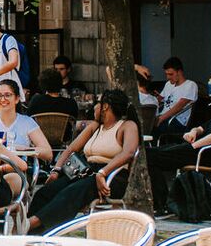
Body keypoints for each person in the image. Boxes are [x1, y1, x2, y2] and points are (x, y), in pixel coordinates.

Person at [28, 89, 143, 232]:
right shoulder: (95, 126)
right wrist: (56, 170)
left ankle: (32, 223)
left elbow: (129, 152)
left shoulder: (127, 125)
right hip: (85, 171)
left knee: (72, 191)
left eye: (97, 104)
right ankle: (31, 235)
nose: (93, 108)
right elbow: (71, 149)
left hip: (112, 175)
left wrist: (102, 172)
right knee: (46, 192)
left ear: (105, 106)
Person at [149, 77, 211, 209]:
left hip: (208, 156)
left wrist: (196, 145)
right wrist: (193, 132)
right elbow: (200, 128)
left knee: (150, 156)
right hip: (196, 151)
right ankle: (162, 203)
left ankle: (163, 204)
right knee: (149, 156)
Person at [154, 57, 199, 136]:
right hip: (164, 117)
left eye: (171, 74)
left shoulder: (190, 85)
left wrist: (161, 118)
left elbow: (180, 105)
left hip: (177, 120)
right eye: (166, 74)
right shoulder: (168, 84)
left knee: (153, 129)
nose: (168, 77)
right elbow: (160, 99)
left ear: (180, 72)